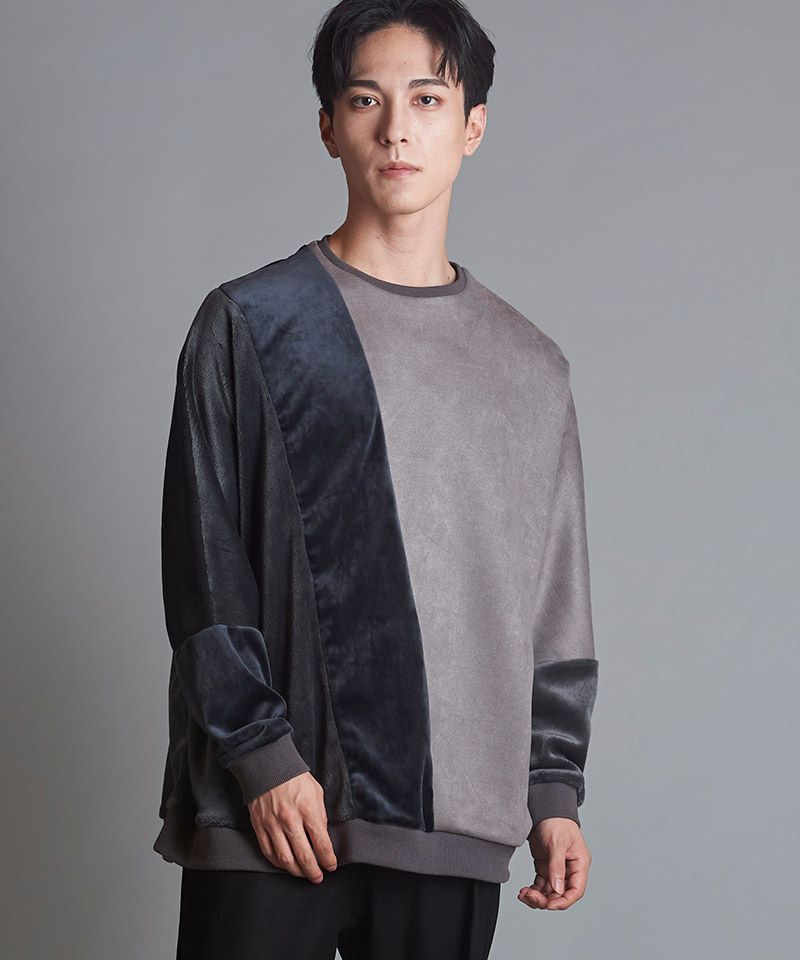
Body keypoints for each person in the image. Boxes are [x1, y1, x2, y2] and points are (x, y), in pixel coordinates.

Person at [153, 1, 600, 957]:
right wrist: (261, 756)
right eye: (366, 99)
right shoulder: (251, 324)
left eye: (428, 99)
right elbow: (204, 564)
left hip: (453, 825)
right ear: (328, 126)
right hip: (271, 811)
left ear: (472, 125)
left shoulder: (531, 368)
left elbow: (553, 604)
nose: (397, 128)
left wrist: (553, 792)